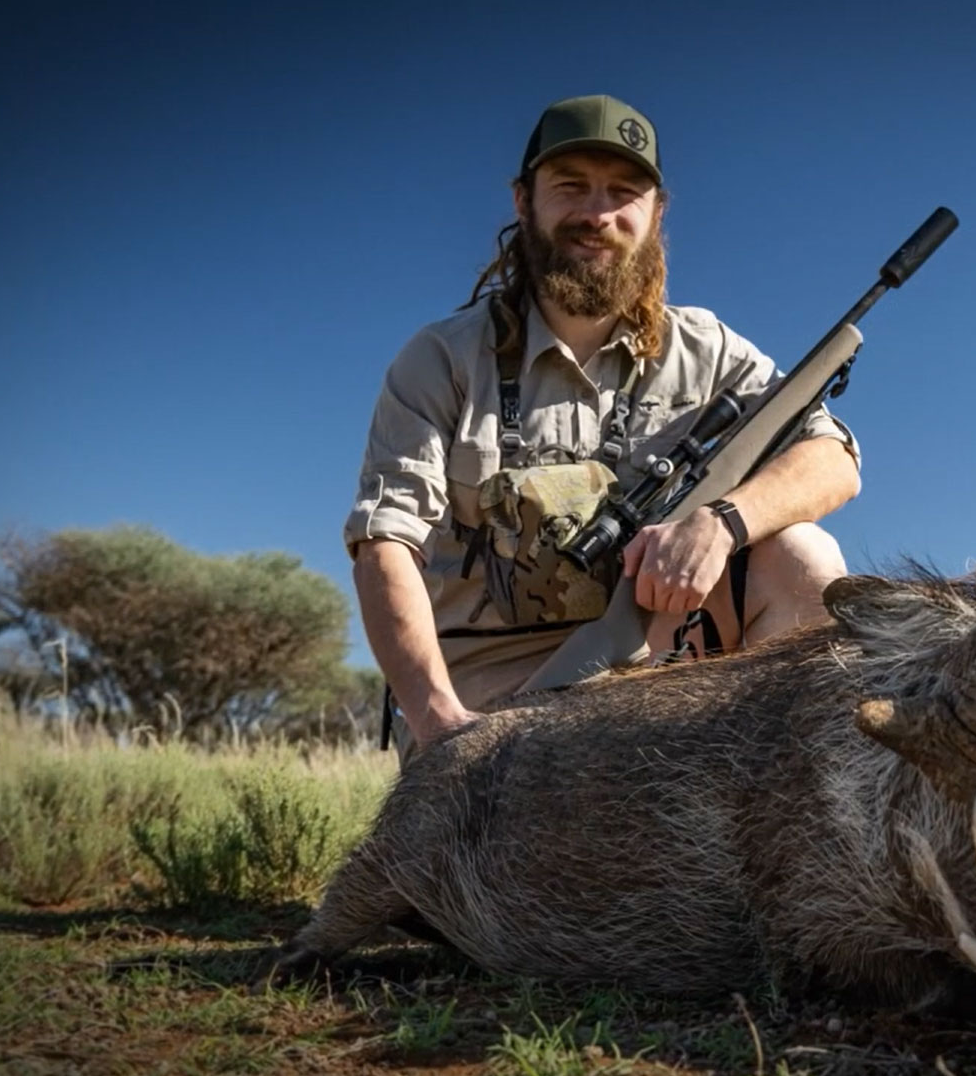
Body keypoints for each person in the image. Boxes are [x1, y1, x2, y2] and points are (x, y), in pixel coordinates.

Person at [343, 94, 861, 760]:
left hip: (666, 650)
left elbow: (833, 456)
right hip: (492, 689)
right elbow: (384, 542)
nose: (598, 215)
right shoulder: (440, 359)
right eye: (570, 188)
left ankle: (784, 802)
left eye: (624, 192)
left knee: (801, 555)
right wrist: (440, 722)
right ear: (523, 200)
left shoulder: (709, 349)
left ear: (656, 212)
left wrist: (722, 522)